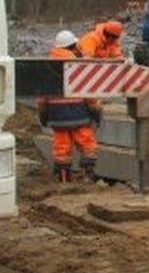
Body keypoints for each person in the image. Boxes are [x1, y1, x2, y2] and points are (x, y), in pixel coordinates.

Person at [37, 30, 101, 182]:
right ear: (72, 47)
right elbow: (88, 94)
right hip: (80, 115)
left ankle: (64, 179)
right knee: (87, 145)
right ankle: (88, 175)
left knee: (62, 149)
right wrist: (96, 111)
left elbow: (42, 98)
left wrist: (43, 115)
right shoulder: (77, 66)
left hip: (58, 118)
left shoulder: (48, 67)